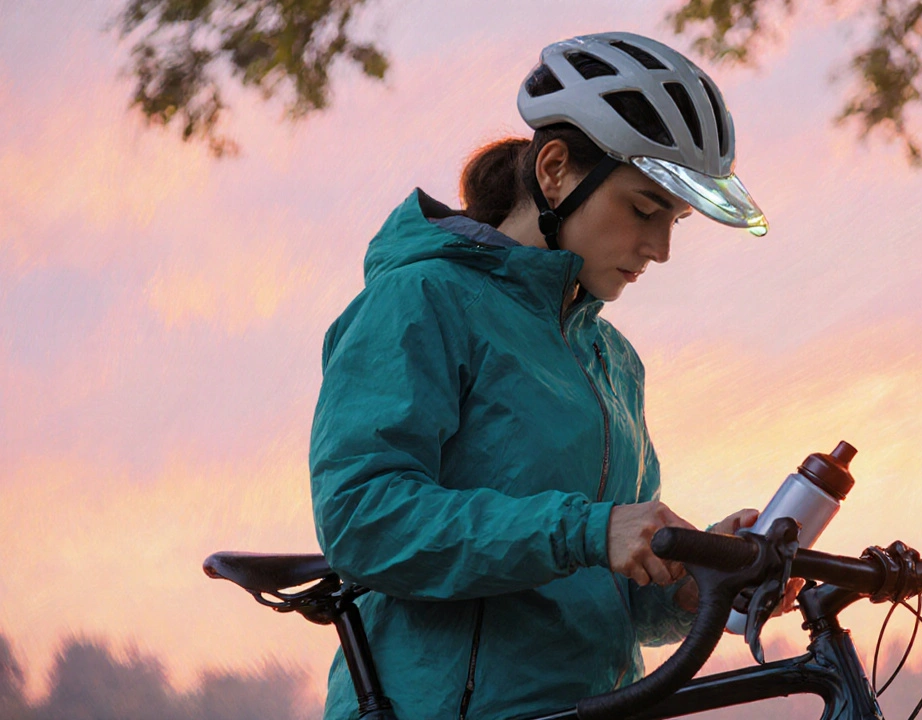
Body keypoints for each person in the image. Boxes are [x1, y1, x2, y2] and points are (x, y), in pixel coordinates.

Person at [309, 32, 769, 720]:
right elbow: (362, 519)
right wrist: (586, 529)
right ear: (554, 170)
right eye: (644, 210)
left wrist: (689, 578)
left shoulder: (613, 360)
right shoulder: (424, 300)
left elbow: (605, 591)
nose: (661, 248)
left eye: (676, 222)